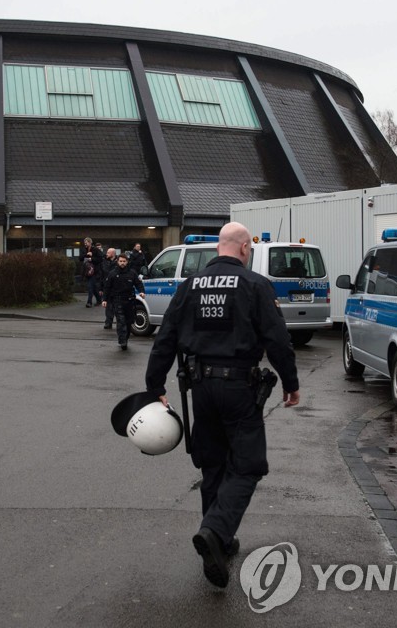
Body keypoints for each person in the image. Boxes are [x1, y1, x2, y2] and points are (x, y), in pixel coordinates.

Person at [144, 221, 300, 589]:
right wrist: (291, 384)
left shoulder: (189, 286)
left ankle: (218, 544)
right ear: (245, 249)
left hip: (200, 388)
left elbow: (165, 338)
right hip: (239, 389)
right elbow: (277, 339)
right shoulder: (255, 285)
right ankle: (215, 530)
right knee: (247, 466)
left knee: (213, 465)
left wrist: (154, 386)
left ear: (218, 248)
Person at [102, 253, 145, 350]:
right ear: (117, 262)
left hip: (129, 301)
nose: (122, 263)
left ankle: (125, 338)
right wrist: (105, 299)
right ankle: (122, 341)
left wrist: (142, 292)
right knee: (121, 321)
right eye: (120, 261)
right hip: (117, 300)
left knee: (129, 322)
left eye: (124, 261)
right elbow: (107, 287)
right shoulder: (112, 273)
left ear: (127, 262)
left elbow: (138, 283)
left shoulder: (132, 273)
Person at [81, 238, 104, 307]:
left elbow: (100, 259)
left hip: (95, 271)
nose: (85, 244)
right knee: (93, 288)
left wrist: (92, 258)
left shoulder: (95, 250)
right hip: (87, 271)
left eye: (86, 242)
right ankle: (99, 300)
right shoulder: (84, 250)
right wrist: (86, 255)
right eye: (84, 243)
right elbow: (80, 258)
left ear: (90, 243)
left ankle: (89, 302)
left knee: (90, 286)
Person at [101, 248, 119, 329]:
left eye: (108, 252)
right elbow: (101, 275)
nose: (106, 254)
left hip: (116, 287)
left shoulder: (118, 262)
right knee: (108, 307)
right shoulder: (105, 262)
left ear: (112, 254)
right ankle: (108, 322)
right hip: (107, 287)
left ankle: (120, 323)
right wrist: (100, 288)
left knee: (118, 307)